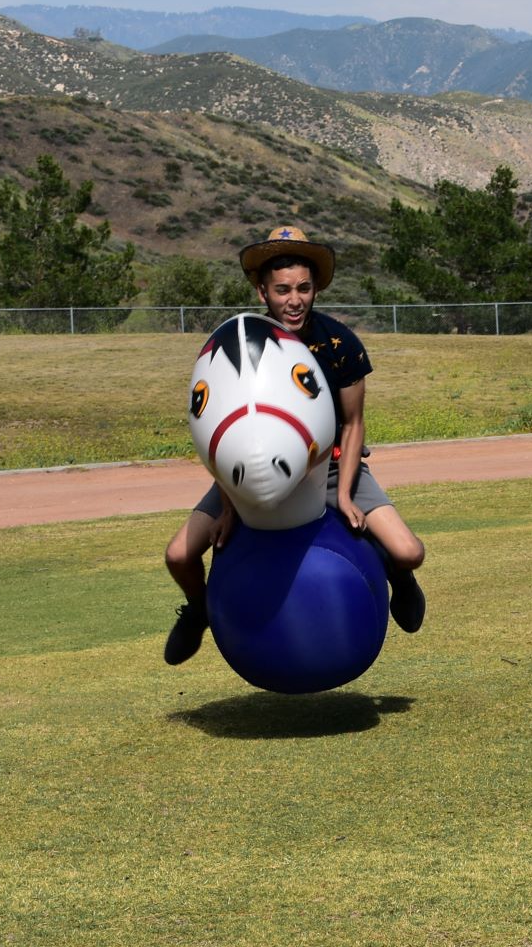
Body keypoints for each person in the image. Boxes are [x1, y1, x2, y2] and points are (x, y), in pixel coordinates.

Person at [163, 226, 426, 664]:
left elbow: (354, 422)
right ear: (262, 291)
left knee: (409, 552)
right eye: (282, 289)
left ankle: (397, 579)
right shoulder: (239, 348)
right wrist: (230, 505)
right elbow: (220, 435)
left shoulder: (340, 344)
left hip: (330, 466)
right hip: (249, 475)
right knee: (177, 556)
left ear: (316, 288)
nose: (294, 299)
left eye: (304, 288)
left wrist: (343, 494)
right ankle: (200, 609)